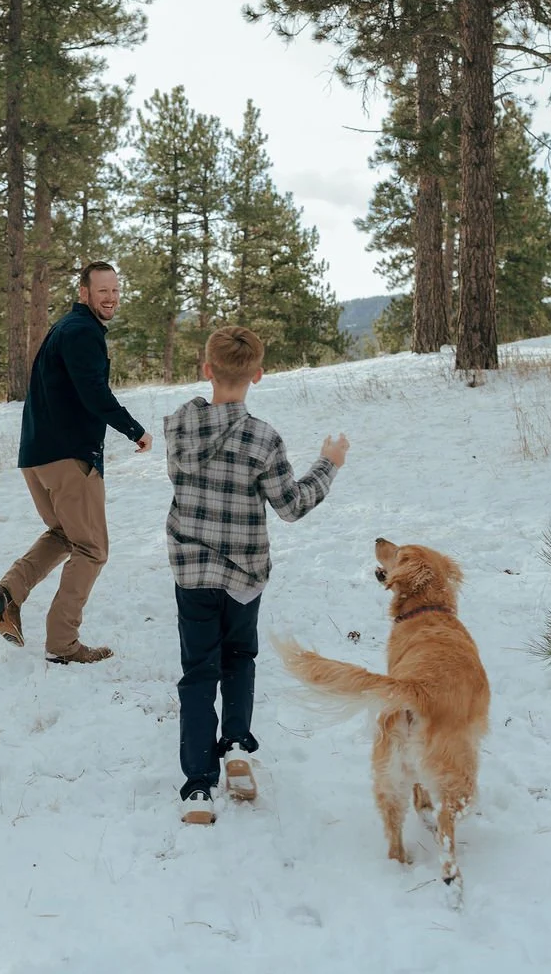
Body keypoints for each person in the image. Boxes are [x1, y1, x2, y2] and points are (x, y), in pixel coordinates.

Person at [164, 325, 348, 824]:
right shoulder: (263, 438)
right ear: (258, 376)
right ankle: (237, 748)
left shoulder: (178, 424)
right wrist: (327, 465)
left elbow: (182, 480)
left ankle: (197, 789)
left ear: (207, 370)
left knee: (198, 671)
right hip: (244, 572)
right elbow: (290, 506)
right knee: (239, 657)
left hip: (193, 570)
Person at [0, 262, 152, 665]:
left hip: (36, 458)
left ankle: (10, 592)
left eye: (115, 290)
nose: (111, 297)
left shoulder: (65, 330)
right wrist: (135, 430)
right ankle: (62, 644)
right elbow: (94, 392)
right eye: (102, 291)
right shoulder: (82, 333)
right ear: (84, 293)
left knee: (65, 534)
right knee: (93, 549)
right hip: (67, 458)